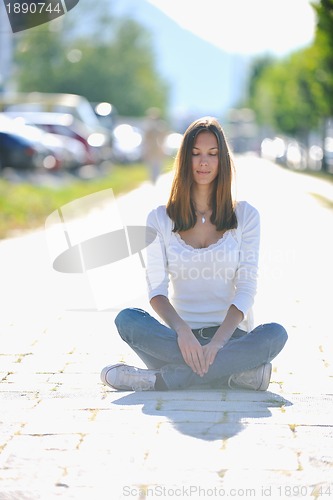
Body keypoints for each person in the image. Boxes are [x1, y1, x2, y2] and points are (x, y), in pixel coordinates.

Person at [101, 116, 288, 392]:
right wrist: (183, 332)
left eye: (212, 154)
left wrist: (217, 343)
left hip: (230, 338)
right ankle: (232, 375)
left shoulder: (246, 216)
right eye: (196, 154)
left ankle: (161, 380)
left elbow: (247, 287)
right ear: (184, 160)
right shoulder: (159, 218)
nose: (204, 162)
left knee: (275, 334)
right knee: (127, 319)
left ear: (222, 161)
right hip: (177, 340)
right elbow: (156, 290)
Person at [142, 107, 168, 184]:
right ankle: (152, 180)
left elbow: (163, 136)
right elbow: (146, 137)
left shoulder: (160, 125)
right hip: (150, 148)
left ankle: (156, 179)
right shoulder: (147, 125)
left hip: (158, 148)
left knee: (158, 165)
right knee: (150, 165)